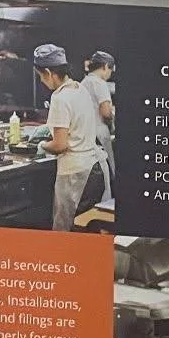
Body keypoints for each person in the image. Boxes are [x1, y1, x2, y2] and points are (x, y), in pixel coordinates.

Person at [33, 44, 104, 230]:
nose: (42, 81)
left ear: (48, 72)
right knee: (86, 232)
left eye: (41, 76)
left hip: (75, 176)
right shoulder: (79, 89)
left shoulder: (60, 98)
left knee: (66, 233)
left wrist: (42, 145)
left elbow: (60, 145)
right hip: (93, 171)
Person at [82, 51, 116, 189]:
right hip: (100, 134)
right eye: (110, 70)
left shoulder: (83, 82)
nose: (109, 74)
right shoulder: (100, 83)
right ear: (105, 66)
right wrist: (113, 119)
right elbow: (106, 112)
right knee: (107, 172)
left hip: (86, 134)